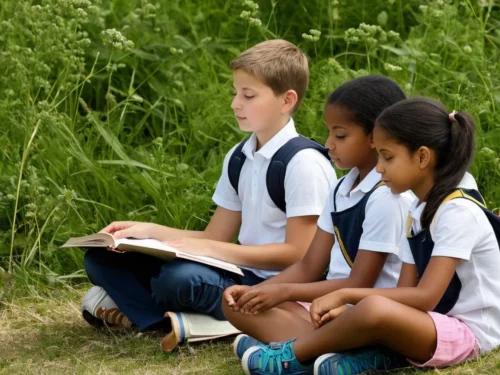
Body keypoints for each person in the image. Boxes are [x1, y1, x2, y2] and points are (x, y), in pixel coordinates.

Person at [80, 39, 336, 334]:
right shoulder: (240, 157)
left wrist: (212, 248)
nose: (235, 103)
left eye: (248, 95)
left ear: (286, 101)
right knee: (100, 260)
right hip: (234, 269)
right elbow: (214, 235)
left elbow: (299, 254)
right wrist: (147, 231)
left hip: (274, 285)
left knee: (178, 280)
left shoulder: (303, 163)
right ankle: (167, 321)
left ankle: (185, 320)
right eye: (236, 93)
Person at [240, 97, 500, 375]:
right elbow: (404, 291)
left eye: (388, 157)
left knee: (373, 308)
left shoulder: (457, 212)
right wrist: (351, 314)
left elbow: (424, 297)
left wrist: (345, 296)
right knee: (367, 310)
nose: (379, 168)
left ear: (422, 157)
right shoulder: (418, 210)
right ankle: (371, 354)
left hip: (470, 332)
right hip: (431, 323)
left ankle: (295, 356)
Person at [222, 75, 411, 363]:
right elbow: (309, 265)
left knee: (340, 316)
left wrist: (283, 291)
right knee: (235, 305)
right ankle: (320, 347)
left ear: (376, 138)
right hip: (326, 307)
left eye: (341, 135)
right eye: (329, 134)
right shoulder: (340, 189)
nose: (329, 144)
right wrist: (258, 292)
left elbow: (359, 282)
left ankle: (305, 348)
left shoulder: (387, 196)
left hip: (363, 309)